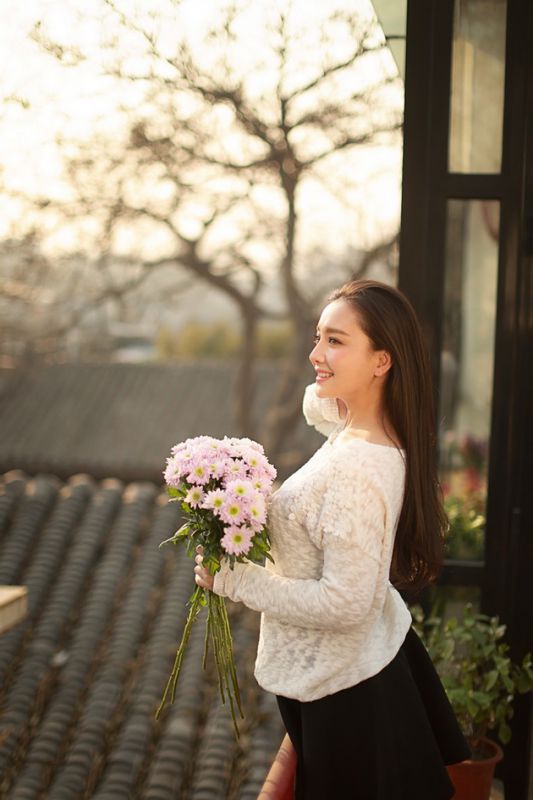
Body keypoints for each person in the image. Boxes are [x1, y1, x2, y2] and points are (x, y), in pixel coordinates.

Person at [194, 279, 470, 799]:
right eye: (319, 337)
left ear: (382, 361)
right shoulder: (361, 430)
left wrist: (236, 580)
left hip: (352, 696)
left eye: (336, 341)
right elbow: (318, 408)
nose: (316, 354)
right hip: (345, 679)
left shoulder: (360, 466)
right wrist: (337, 376)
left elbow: (347, 603)